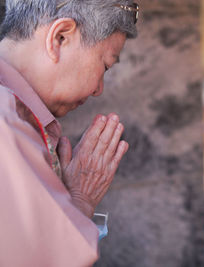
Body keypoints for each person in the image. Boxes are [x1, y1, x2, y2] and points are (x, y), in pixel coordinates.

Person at [0, 1, 139, 266]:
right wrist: (80, 201)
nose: (99, 89)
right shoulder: (5, 122)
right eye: (106, 66)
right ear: (60, 37)